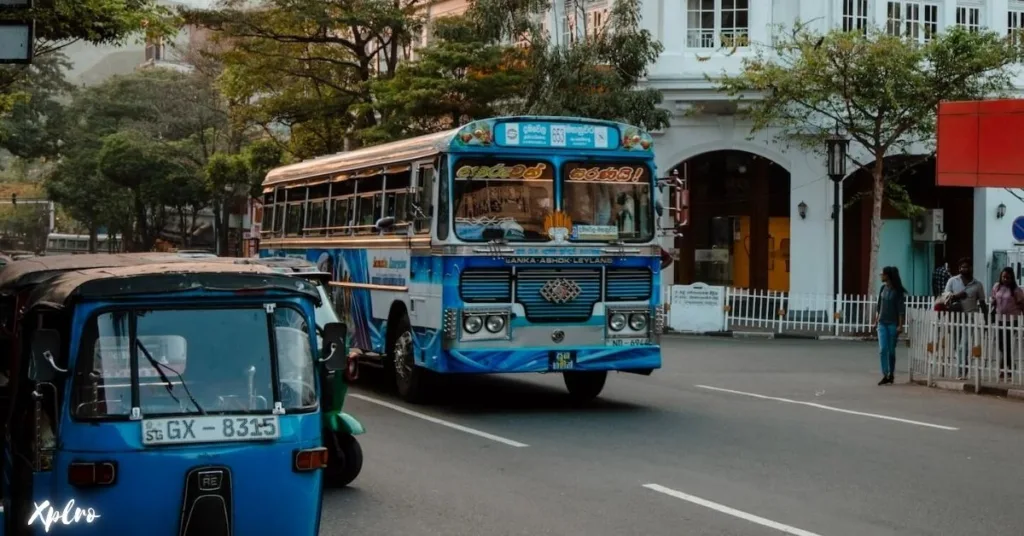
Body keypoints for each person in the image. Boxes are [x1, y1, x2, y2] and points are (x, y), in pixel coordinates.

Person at [943, 257, 988, 379]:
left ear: (971, 268)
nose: (964, 269)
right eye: (962, 267)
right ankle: (962, 366)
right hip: (955, 317)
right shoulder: (952, 281)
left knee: (965, 344)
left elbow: (983, 303)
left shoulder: (978, 285)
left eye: (967, 267)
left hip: (970, 318)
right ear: (959, 269)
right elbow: (945, 297)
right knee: (957, 345)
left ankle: (962, 371)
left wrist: (987, 320)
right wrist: (957, 296)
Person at [874, 266, 908, 385]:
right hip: (882, 323)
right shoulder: (883, 288)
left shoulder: (897, 292)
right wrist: (876, 319)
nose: (880, 276)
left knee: (891, 350)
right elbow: (879, 306)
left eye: (882, 274)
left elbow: (900, 310)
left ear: (887, 276)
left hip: (893, 324)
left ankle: (891, 374)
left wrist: (900, 325)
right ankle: (885, 373)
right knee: (883, 349)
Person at [990, 267, 1024, 380]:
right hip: (1000, 319)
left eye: (1008, 278)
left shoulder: (1016, 290)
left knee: (1007, 343)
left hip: (1012, 319)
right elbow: (993, 298)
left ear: (1012, 278)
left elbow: (1022, 304)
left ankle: (1005, 369)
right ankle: (1010, 366)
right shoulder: (996, 287)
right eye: (1003, 277)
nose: (1005, 279)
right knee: (1000, 344)